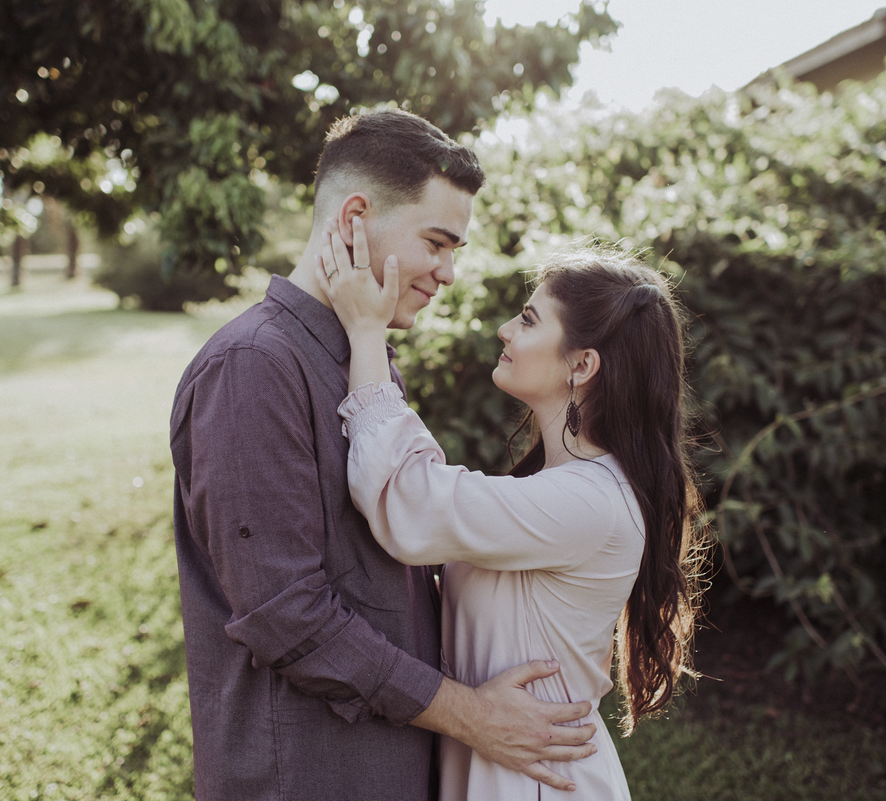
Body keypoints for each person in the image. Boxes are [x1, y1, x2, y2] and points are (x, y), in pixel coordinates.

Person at [169, 108, 598, 801]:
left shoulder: (361, 356)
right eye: (437, 241)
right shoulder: (253, 366)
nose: (449, 272)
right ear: (354, 217)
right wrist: (475, 715)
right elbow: (288, 614)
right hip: (306, 775)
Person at [316, 226, 707, 800]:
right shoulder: (566, 488)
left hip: (536, 780)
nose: (505, 329)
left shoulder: (589, 501)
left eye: (527, 320)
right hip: (509, 769)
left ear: (582, 364)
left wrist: (367, 331)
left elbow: (411, 501)